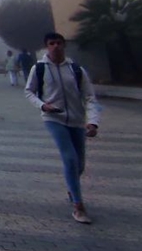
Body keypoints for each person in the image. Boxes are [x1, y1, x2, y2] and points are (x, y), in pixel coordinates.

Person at [24, 32, 101, 224]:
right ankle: (78, 205)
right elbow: (29, 91)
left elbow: (90, 97)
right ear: (46, 46)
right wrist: (43, 105)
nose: (56, 46)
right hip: (53, 119)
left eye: (59, 43)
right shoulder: (39, 68)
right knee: (70, 159)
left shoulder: (76, 69)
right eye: (52, 43)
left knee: (79, 164)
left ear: (64, 45)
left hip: (76, 120)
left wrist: (93, 121)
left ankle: (71, 186)